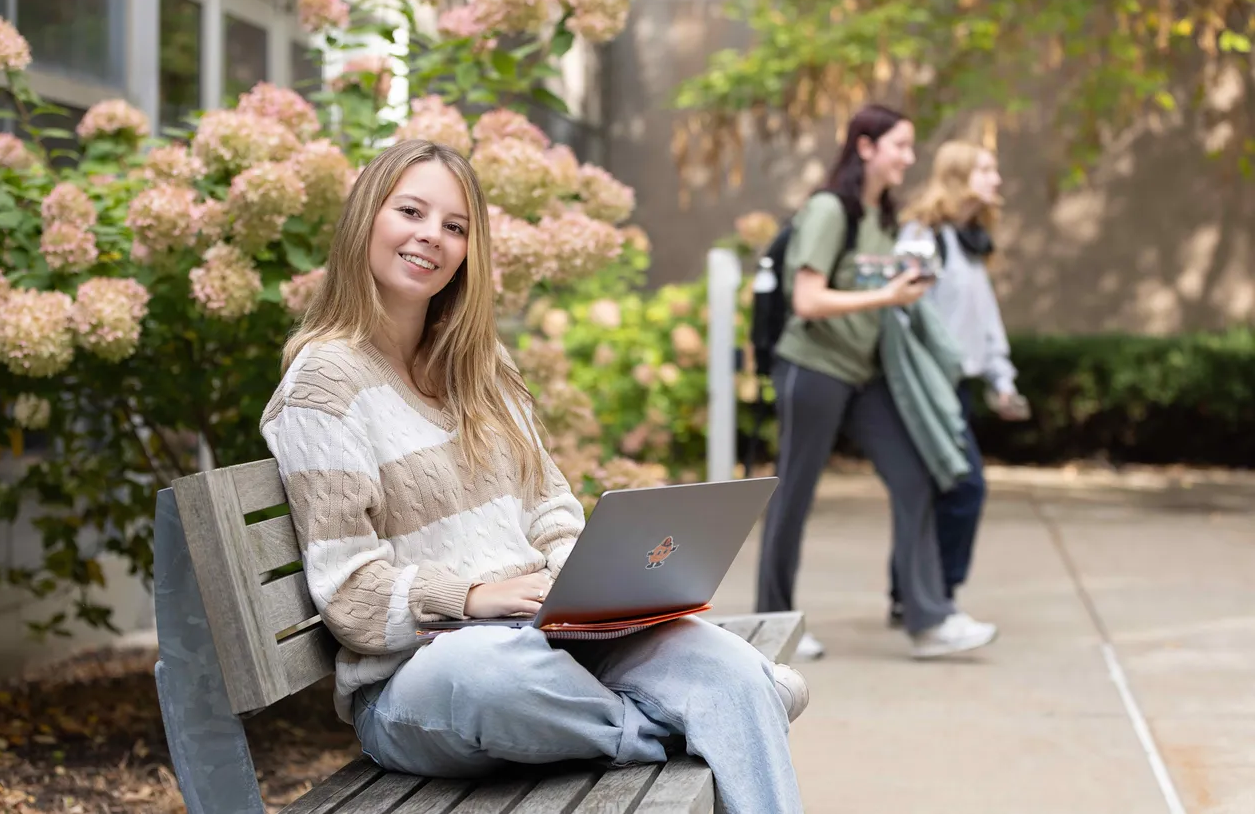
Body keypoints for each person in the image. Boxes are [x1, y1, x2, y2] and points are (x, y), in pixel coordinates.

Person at [259, 139, 809, 813]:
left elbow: (548, 501)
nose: (431, 236)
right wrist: (473, 597)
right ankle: (673, 724)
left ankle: (726, 696)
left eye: (455, 226)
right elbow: (350, 594)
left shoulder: (482, 368)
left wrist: (583, 578)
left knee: (719, 669)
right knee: (490, 672)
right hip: (422, 681)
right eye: (411, 211)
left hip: (551, 640)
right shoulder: (322, 386)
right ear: (366, 220)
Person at [754, 104, 998, 661]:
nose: (909, 159)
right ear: (865, 147)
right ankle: (774, 624)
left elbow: (869, 283)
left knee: (915, 477)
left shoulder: (880, 217)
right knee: (793, 494)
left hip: (864, 373)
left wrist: (904, 283)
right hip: (813, 367)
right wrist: (889, 295)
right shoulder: (829, 209)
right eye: (900, 146)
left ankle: (929, 618)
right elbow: (808, 300)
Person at [888, 140, 1028, 625]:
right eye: (986, 169)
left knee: (937, 491)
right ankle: (935, 597)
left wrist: (1001, 378)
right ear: (958, 175)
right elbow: (903, 314)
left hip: (957, 389)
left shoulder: (969, 241)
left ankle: (913, 594)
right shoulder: (922, 236)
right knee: (962, 488)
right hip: (927, 389)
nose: (997, 179)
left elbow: (984, 319)